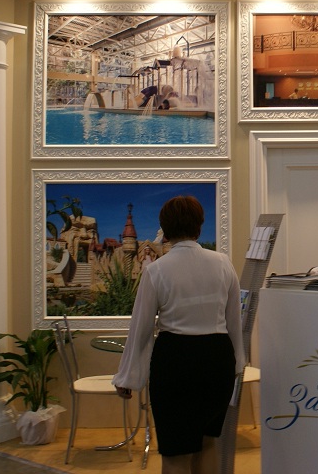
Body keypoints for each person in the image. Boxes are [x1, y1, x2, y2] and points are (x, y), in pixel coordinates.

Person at [112, 196, 244, 474]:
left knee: (176, 451)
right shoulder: (223, 263)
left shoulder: (157, 270)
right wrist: (238, 364)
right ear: (199, 225)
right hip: (218, 360)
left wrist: (127, 377)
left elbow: (141, 328)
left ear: (166, 228)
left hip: (176, 361)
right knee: (208, 443)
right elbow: (234, 321)